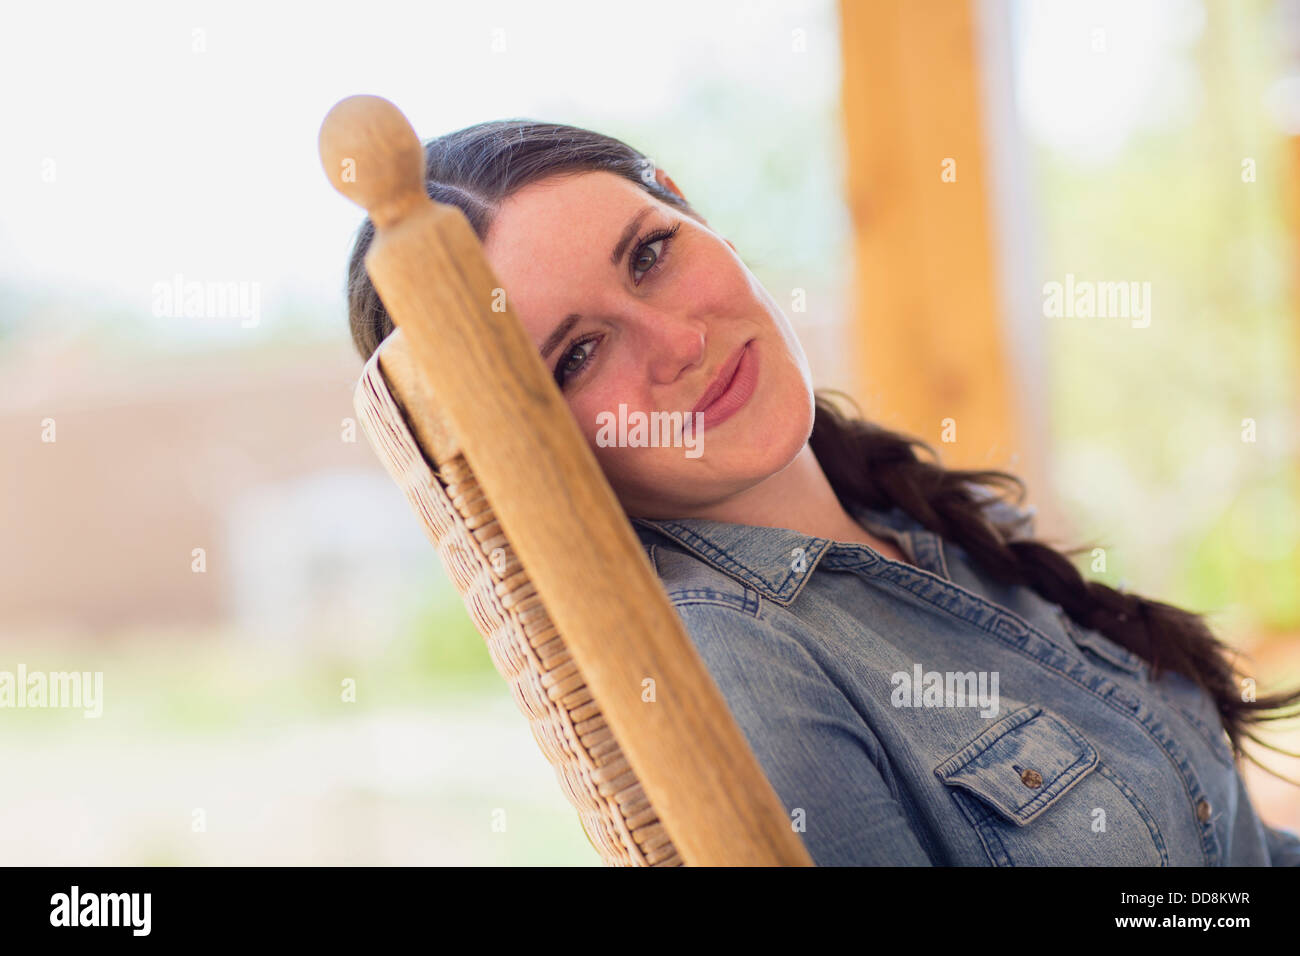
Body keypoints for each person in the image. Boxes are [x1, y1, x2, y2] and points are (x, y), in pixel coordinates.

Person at [345, 119, 1300, 866]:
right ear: (535, 443)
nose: (679, 342)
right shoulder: (737, 667)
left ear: (693, 210)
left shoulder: (913, 517)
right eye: (580, 354)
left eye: (650, 254)